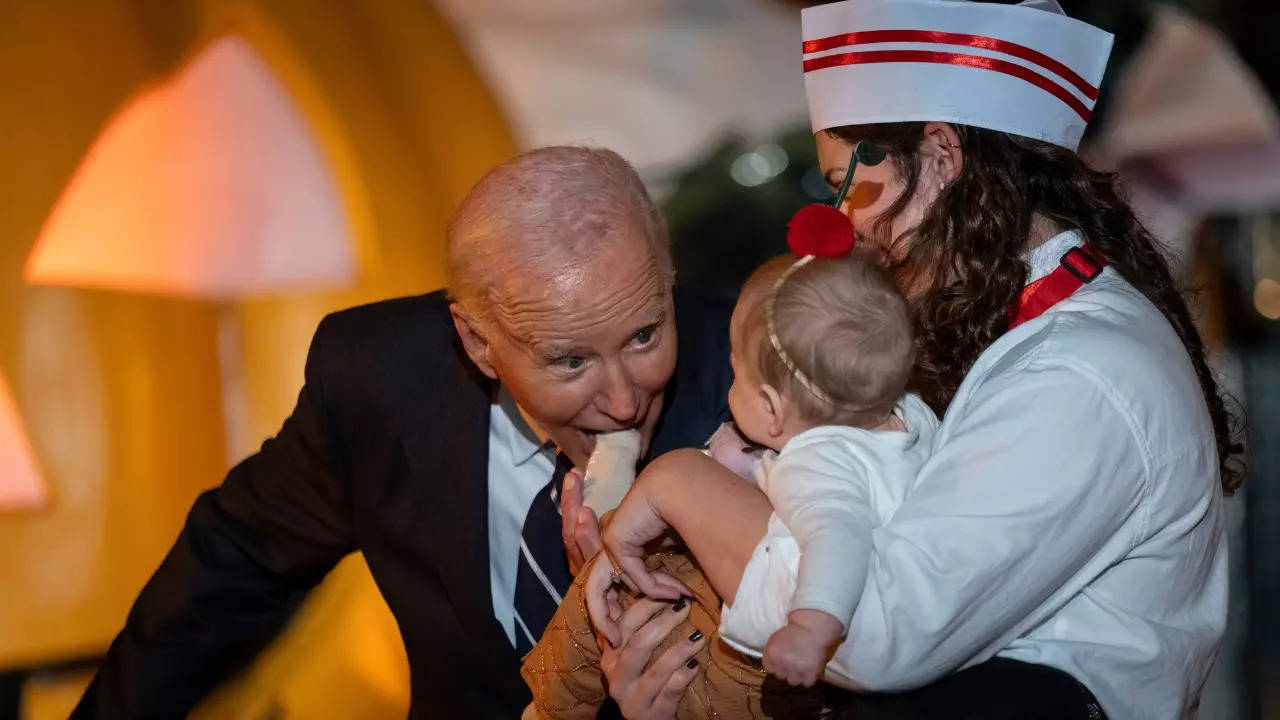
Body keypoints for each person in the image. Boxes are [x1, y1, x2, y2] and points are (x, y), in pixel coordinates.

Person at [573, 1, 1240, 718]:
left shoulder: (1081, 373)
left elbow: (877, 634)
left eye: (852, 185)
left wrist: (682, 486)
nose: (847, 228)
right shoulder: (982, 323)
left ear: (944, 158)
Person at [72, 146, 734, 718]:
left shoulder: (755, 384)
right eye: (571, 361)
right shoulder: (379, 379)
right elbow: (233, 566)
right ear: (476, 342)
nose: (623, 401)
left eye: (645, 335)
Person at [521, 249, 940, 718]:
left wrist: (809, 627)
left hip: (763, 661)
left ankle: (549, 706)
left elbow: (836, 536)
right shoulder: (910, 417)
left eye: (737, 375)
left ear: (771, 407)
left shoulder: (817, 465)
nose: (727, 388)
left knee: (612, 578)